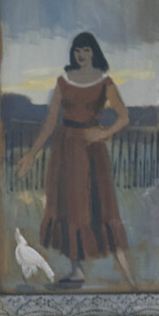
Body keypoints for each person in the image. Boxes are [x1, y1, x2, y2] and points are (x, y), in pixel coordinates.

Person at [26, 30, 135, 287]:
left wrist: (104, 133)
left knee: (103, 208)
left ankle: (131, 279)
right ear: (72, 54)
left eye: (86, 50)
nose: (81, 55)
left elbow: (124, 117)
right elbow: (51, 121)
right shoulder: (63, 81)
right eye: (77, 50)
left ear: (94, 52)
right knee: (70, 208)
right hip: (66, 151)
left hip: (92, 151)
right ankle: (77, 272)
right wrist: (32, 153)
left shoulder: (104, 82)